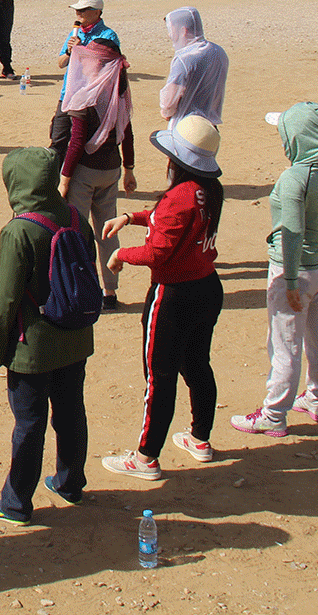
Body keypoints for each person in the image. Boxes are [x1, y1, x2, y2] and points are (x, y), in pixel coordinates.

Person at [100, 115, 225, 481]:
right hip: (206, 286)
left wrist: (120, 254)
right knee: (197, 364)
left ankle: (145, 457)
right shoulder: (207, 189)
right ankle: (200, 438)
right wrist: (130, 216)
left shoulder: (178, 197)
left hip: (174, 295)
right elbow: (166, 221)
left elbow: (157, 252)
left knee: (160, 375)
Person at [0, 146, 95, 523]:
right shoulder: (77, 219)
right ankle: (70, 482)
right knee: (71, 411)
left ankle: (16, 502)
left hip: (33, 347)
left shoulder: (20, 231)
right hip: (75, 338)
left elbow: (7, 299)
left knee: (29, 423)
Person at [230, 104, 318, 437]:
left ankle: (274, 414)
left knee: (285, 345)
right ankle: (317, 400)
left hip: (297, 272)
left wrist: (288, 280)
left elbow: (291, 232)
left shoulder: (293, 178)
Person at [56, 40, 135, 309]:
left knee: (78, 232)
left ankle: (81, 290)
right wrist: (129, 171)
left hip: (85, 173)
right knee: (108, 231)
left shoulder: (86, 96)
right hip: (111, 169)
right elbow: (128, 135)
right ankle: (110, 292)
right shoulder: (119, 92)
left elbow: (76, 142)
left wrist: (64, 179)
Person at [160, 7, 228, 125]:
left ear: (183, 30)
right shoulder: (218, 51)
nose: (170, 35)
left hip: (186, 130)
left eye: (172, 29)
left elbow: (169, 102)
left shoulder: (184, 59)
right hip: (210, 128)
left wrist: (165, 112)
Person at [55, 0, 119, 102]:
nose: (78, 13)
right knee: (59, 120)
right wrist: (69, 52)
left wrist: (81, 50)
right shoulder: (75, 33)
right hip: (69, 93)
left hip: (92, 97)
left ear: (97, 12)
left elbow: (107, 69)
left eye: (83, 10)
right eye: (77, 9)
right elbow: (61, 64)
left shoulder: (108, 36)